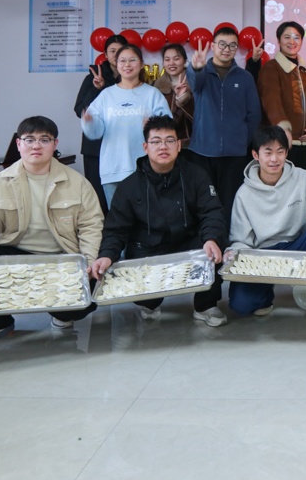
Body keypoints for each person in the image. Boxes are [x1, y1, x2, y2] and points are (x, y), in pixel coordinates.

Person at [0, 116, 103, 348]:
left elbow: (92, 225)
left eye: (44, 140)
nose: (36, 145)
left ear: (55, 144)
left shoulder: (77, 183)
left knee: (92, 286)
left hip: (62, 258)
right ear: (18, 144)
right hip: (17, 255)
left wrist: (88, 262)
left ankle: (62, 313)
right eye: (29, 139)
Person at [89, 115, 228, 327]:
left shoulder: (196, 175)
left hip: (188, 244)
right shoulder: (129, 186)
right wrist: (106, 255)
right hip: (148, 249)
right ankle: (149, 302)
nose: (163, 146)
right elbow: (116, 229)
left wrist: (211, 238)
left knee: (216, 245)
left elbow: (212, 212)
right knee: (147, 299)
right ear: (145, 147)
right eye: (156, 141)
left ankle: (205, 306)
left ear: (179, 145)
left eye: (170, 140)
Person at [227, 127, 306, 329]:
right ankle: (264, 296)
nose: (274, 159)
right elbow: (241, 239)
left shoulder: (302, 177)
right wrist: (234, 252)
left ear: (286, 153)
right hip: (263, 254)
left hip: (297, 246)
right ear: (255, 155)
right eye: (268, 152)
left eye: (280, 151)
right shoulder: (244, 193)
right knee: (240, 305)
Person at [187, 26, 262, 221]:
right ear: (212, 46)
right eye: (222, 44)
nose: (227, 49)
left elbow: (254, 114)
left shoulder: (244, 77)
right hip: (202, 151)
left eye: (232, 45)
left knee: (231, 203)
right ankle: (206, 238)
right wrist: (197, 68)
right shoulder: (202, 72)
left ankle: (229, 238)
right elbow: (194, 83)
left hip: (234, 154)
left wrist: (241, 140)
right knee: (204, 202)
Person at [81, 44, 170, 208]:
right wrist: (89, 122)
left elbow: (167, 127)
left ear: (141, 64)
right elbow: (94, 132)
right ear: (116, 64)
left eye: (132, 60)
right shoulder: (106, 95)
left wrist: (153, 126)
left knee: (148, 218)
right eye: (122, 61)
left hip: (146, 170)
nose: (127, 65)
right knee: (118, 219)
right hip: (113, 169)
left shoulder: (152, 94)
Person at [256, 21, 306, 171]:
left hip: (304, 143)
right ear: (278, 41)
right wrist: (283, 129)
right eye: (287, 37)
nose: (292, 41)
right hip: (279, 143)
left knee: (301, 182)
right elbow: (271, 101)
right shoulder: (271, 68)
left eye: (296, 37)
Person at [74, 33, 126, 212]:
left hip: (121, 147)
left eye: (121, 51)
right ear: (105, 54)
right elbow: (79, 109)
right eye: (112, 51)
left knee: (123, 198)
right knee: (97, 198)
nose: (117, 55)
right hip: (95, 148)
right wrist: (97, 89)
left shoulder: (131, 78)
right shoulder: (94, 76)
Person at [154, 43, 195, 146]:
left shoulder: (196, 84)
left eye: (176, 59)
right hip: (164, 144)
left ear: (185, 61)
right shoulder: (156, 88)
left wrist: (183, 98)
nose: (171, 63)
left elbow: (201, 118)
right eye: (167, 60)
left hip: (192, 144)